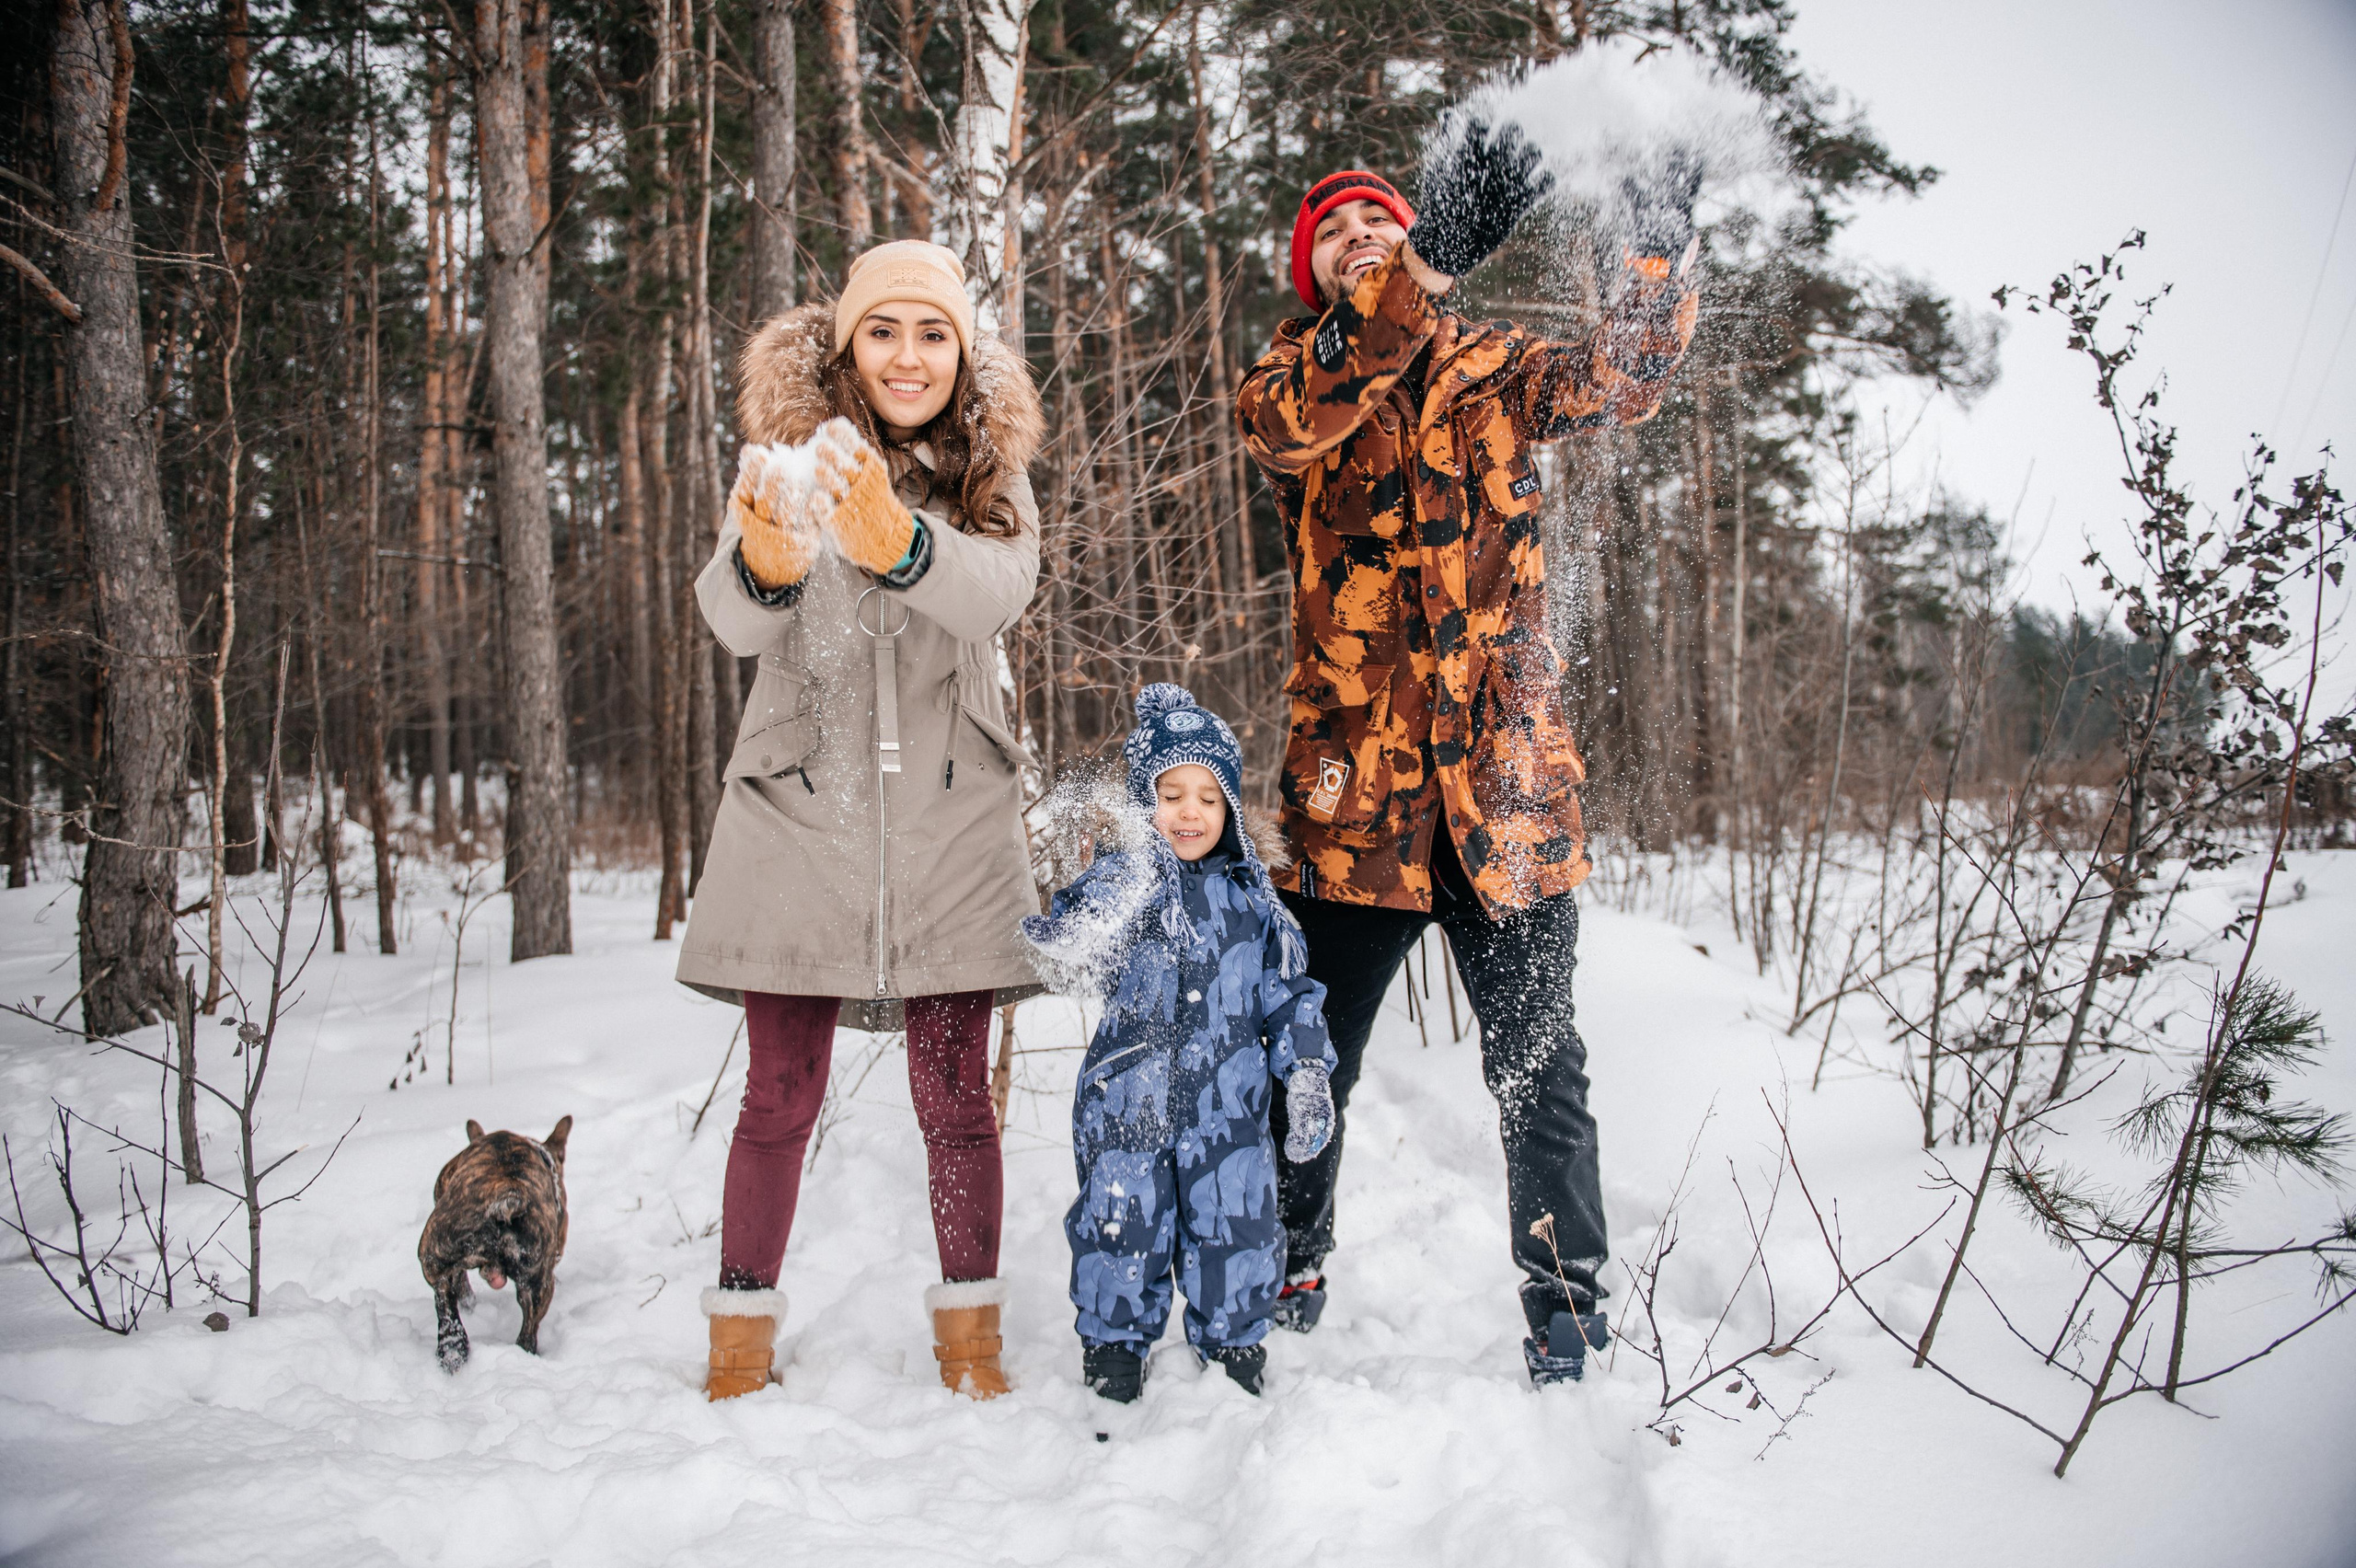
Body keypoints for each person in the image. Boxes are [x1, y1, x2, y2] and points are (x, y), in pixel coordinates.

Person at [1234, 123, 1702, 1384]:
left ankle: (1565, 1301)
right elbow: (1299, 419)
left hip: (1510, 798)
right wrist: (1421, 271)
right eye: (1334, 230)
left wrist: (1653, 253)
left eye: (1383, 218)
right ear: (1310, 270)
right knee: (1308, 1062)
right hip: (1351, 812)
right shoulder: (1289, 382)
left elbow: (1626, 377)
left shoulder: (1497, 369)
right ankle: (1290, 1253)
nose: (1362, 236)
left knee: (1541, 1066)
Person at [678, 239, 1045, 1401]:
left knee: (953, 1105)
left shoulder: (990, 463)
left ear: (960, 352)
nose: (907, 355)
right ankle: (737, 1349)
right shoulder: (792, 456)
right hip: (800, 813)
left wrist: (902, 542)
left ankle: (971, 1349)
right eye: (883, 331)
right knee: (778, 1097)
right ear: (846, 343)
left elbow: (1002, 589)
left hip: (952, 825)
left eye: (932, 333)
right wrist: (772, 563)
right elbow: (730, 623)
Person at [1022, 685, 1338, 1402]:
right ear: (1143, 805)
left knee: (1239, 1230)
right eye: (1170, 795)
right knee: (1119, 1226)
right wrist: (1074, 924)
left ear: (1229, 810)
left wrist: (1309, 1071)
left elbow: (1292, 995)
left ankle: (1233, 1347)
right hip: (1127, 1108)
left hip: (1230, 1112)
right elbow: (1075, 940)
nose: (1189, 811)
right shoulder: (1124, 882)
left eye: (1208, 796)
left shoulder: (1254, 903)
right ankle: (1114, 1349)